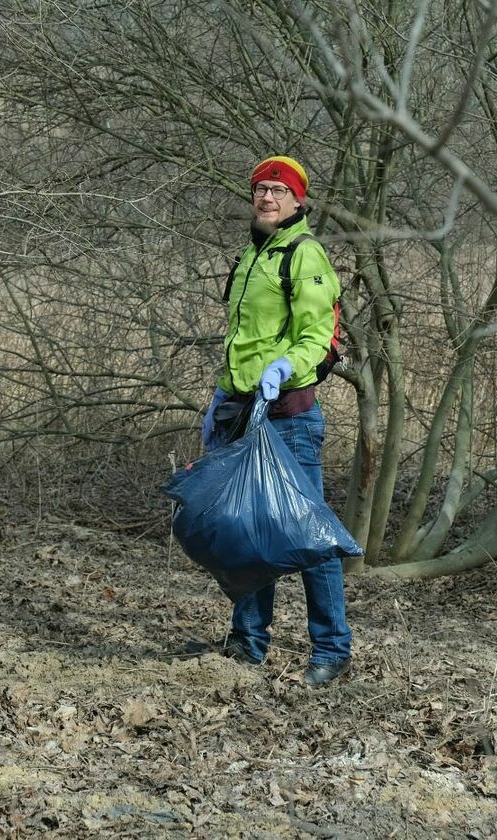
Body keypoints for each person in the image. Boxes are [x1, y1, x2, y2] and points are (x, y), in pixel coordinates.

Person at [200, 155, 353, 688]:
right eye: (261, 190)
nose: (267, 198)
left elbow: (315, 336)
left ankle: (332, 650)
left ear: (297, 202)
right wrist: (221, 395)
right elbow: (242, 340)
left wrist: (286, 366)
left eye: (278, 192)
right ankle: (247, 643)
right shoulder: (251, 255)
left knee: (309, 537)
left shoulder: (305, 254)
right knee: (247, 534)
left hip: (288, 419)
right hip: (241, 414)